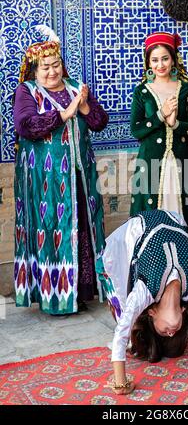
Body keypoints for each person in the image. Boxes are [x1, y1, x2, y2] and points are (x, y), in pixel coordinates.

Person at [13, 26, 109, 315]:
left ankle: (81, 291)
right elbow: (25, 125)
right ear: (34, 69)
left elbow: (99, 122)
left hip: (79, 176)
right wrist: (64, 114)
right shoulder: (26, 92)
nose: (52, 72)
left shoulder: (75, 88)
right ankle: (53, 296)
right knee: (54, 229)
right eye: (45, 67)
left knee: (80, 227)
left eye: (56, 65)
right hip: (46, 182)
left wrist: (82, 109)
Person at [100, 209, 188, 395]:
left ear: (152, 314)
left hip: (138, 229)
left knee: (118, 286)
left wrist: (121, 385)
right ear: (183, 311)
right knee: (121, 296)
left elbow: (121, 333)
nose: (170, 333)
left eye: (162, 332)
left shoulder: (144, 292)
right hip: (171, 220)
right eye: (172, 334)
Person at [130, 32, 188, 238]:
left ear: (173, 60)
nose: (160, 65)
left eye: (165, 58)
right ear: (148, 62)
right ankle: (153, 267)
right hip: (150, 163)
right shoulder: (142, 91)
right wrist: (160, 115)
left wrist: (176, 124)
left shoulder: (186, 90)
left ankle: (185, 267)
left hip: (181, 162)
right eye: (154, 60)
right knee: (153, 215)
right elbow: (136, 129)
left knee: (183, 212)